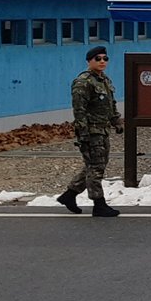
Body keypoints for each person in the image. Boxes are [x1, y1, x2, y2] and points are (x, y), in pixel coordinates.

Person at [58, 45, 122, 217]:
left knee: (94, 165)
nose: (102, 62)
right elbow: (79, 110)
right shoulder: (83, 82)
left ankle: (69, 195)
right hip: (91, 131)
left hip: (102, 129)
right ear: (89, 61)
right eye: (98, 59)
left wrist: (116, 120)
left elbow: (110, 104)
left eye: (105, 59)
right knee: (96, 167)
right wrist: (83, 134)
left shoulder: (104, 80)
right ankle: (98, 204)